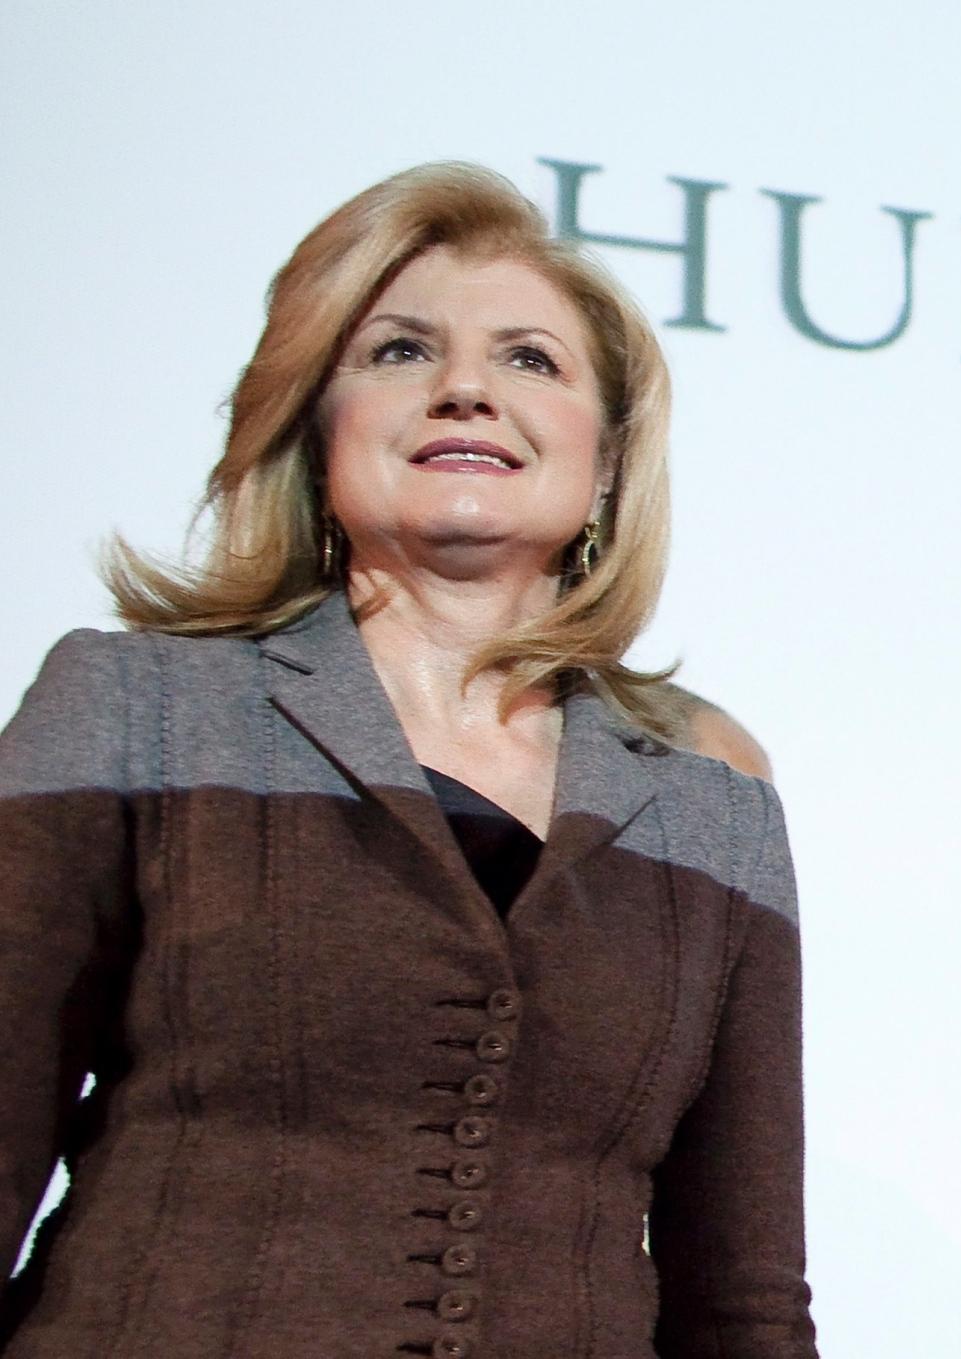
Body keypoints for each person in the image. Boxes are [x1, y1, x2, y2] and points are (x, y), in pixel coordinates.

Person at [0, 164, 815, 1358]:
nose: (467, 389)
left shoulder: (714, 801)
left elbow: (744, 1297)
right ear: (317, 430)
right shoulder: (138, 707)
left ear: (605, 464)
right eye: (399, 351)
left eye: (530, 359)